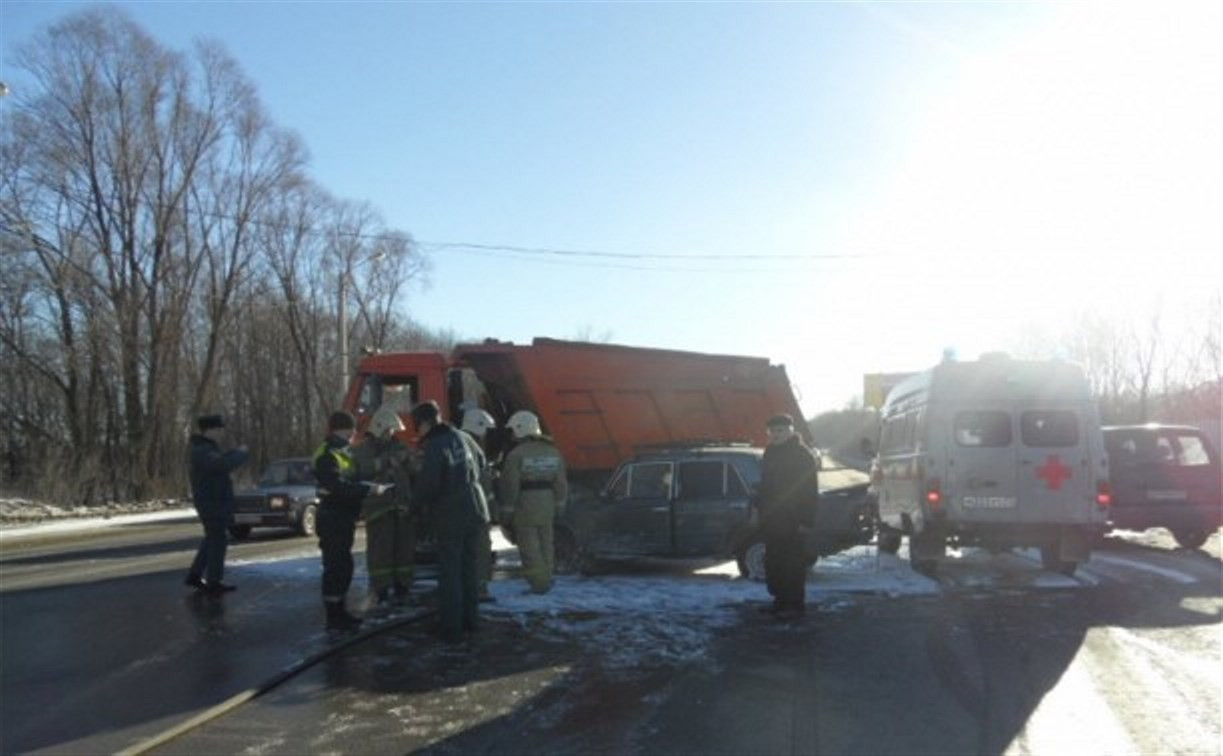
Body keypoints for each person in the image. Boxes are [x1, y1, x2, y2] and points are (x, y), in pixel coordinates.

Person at [409, 400, 489, 643]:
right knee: (469, 567)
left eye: (417, 426)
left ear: (424, 423)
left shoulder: (436, 445)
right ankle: (471, 620)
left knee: (450, 571)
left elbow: (430, 483)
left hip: (451, 514)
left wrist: (413, 506)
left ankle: (451, 628)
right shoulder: (464, 437)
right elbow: (483, 463)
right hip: (476, 509)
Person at [313, 410, 389, 630]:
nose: (354, 433)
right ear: (341, 429)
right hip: (332, 517)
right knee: (336, 566)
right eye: (351, 429)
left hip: (342, 516)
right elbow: (337, 487)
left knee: (343, 565)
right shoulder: (328, 454)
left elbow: (351, 479)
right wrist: (367, 489)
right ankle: (334, 615)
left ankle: (339, 610)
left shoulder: (342, 451)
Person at [757, 413, 820, 621]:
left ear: (791, 430)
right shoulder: (770, 452)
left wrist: (806, 521)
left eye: (780, 430)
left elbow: (810, 491)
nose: (775, 434)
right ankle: (780, 601)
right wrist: (760, 511)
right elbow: (765, 487)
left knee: (792, 565)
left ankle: (795, 605)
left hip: (794, 521)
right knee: (774, 563)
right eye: (772, 431)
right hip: (772, 519)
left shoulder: (802, 455)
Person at [352, 405, 416, 607]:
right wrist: (387, 462)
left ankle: (403, 586)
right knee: (380, 552)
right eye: (389, 430)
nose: (392, 434)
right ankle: (381, 589)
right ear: (379, 428)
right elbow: (361, 471)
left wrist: (411, 461)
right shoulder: (363, 450)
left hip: (401, 508)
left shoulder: (400, 448)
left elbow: (414, 470)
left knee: (404, 550)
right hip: (379, 509)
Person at [498, 410, 568, 594]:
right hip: (548, 505)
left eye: (514, 429)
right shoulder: (553, 451)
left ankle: (539, 584)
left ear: (521, 429)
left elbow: (510, 486)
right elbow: (561, 483)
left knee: (530, 548)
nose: (512, 434)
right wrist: (559, 506)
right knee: (547, 543)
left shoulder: (516, 455)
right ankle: (547, 577)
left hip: (525, 506)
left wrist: (506, 514)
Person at [186, 414, 249, 595]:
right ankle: (214, 582)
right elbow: (222, 465)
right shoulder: (203, 450)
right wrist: (241, 453)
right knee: (218, 540)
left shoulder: (206, 449)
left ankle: (195, 575)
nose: (222, 433)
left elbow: (220, 462)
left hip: (213, 501)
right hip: (211, 502)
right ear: (210, 430)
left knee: (212, 539)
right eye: (219, 429)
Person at [461, 408, 498, 602]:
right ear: (479, 426)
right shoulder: (474, 448)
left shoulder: (460, 443)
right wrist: (493, 512)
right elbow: (484, 487)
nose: (487, 434)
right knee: (481, 548)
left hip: (461, 509)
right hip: (477, 509)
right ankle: (480, 588)